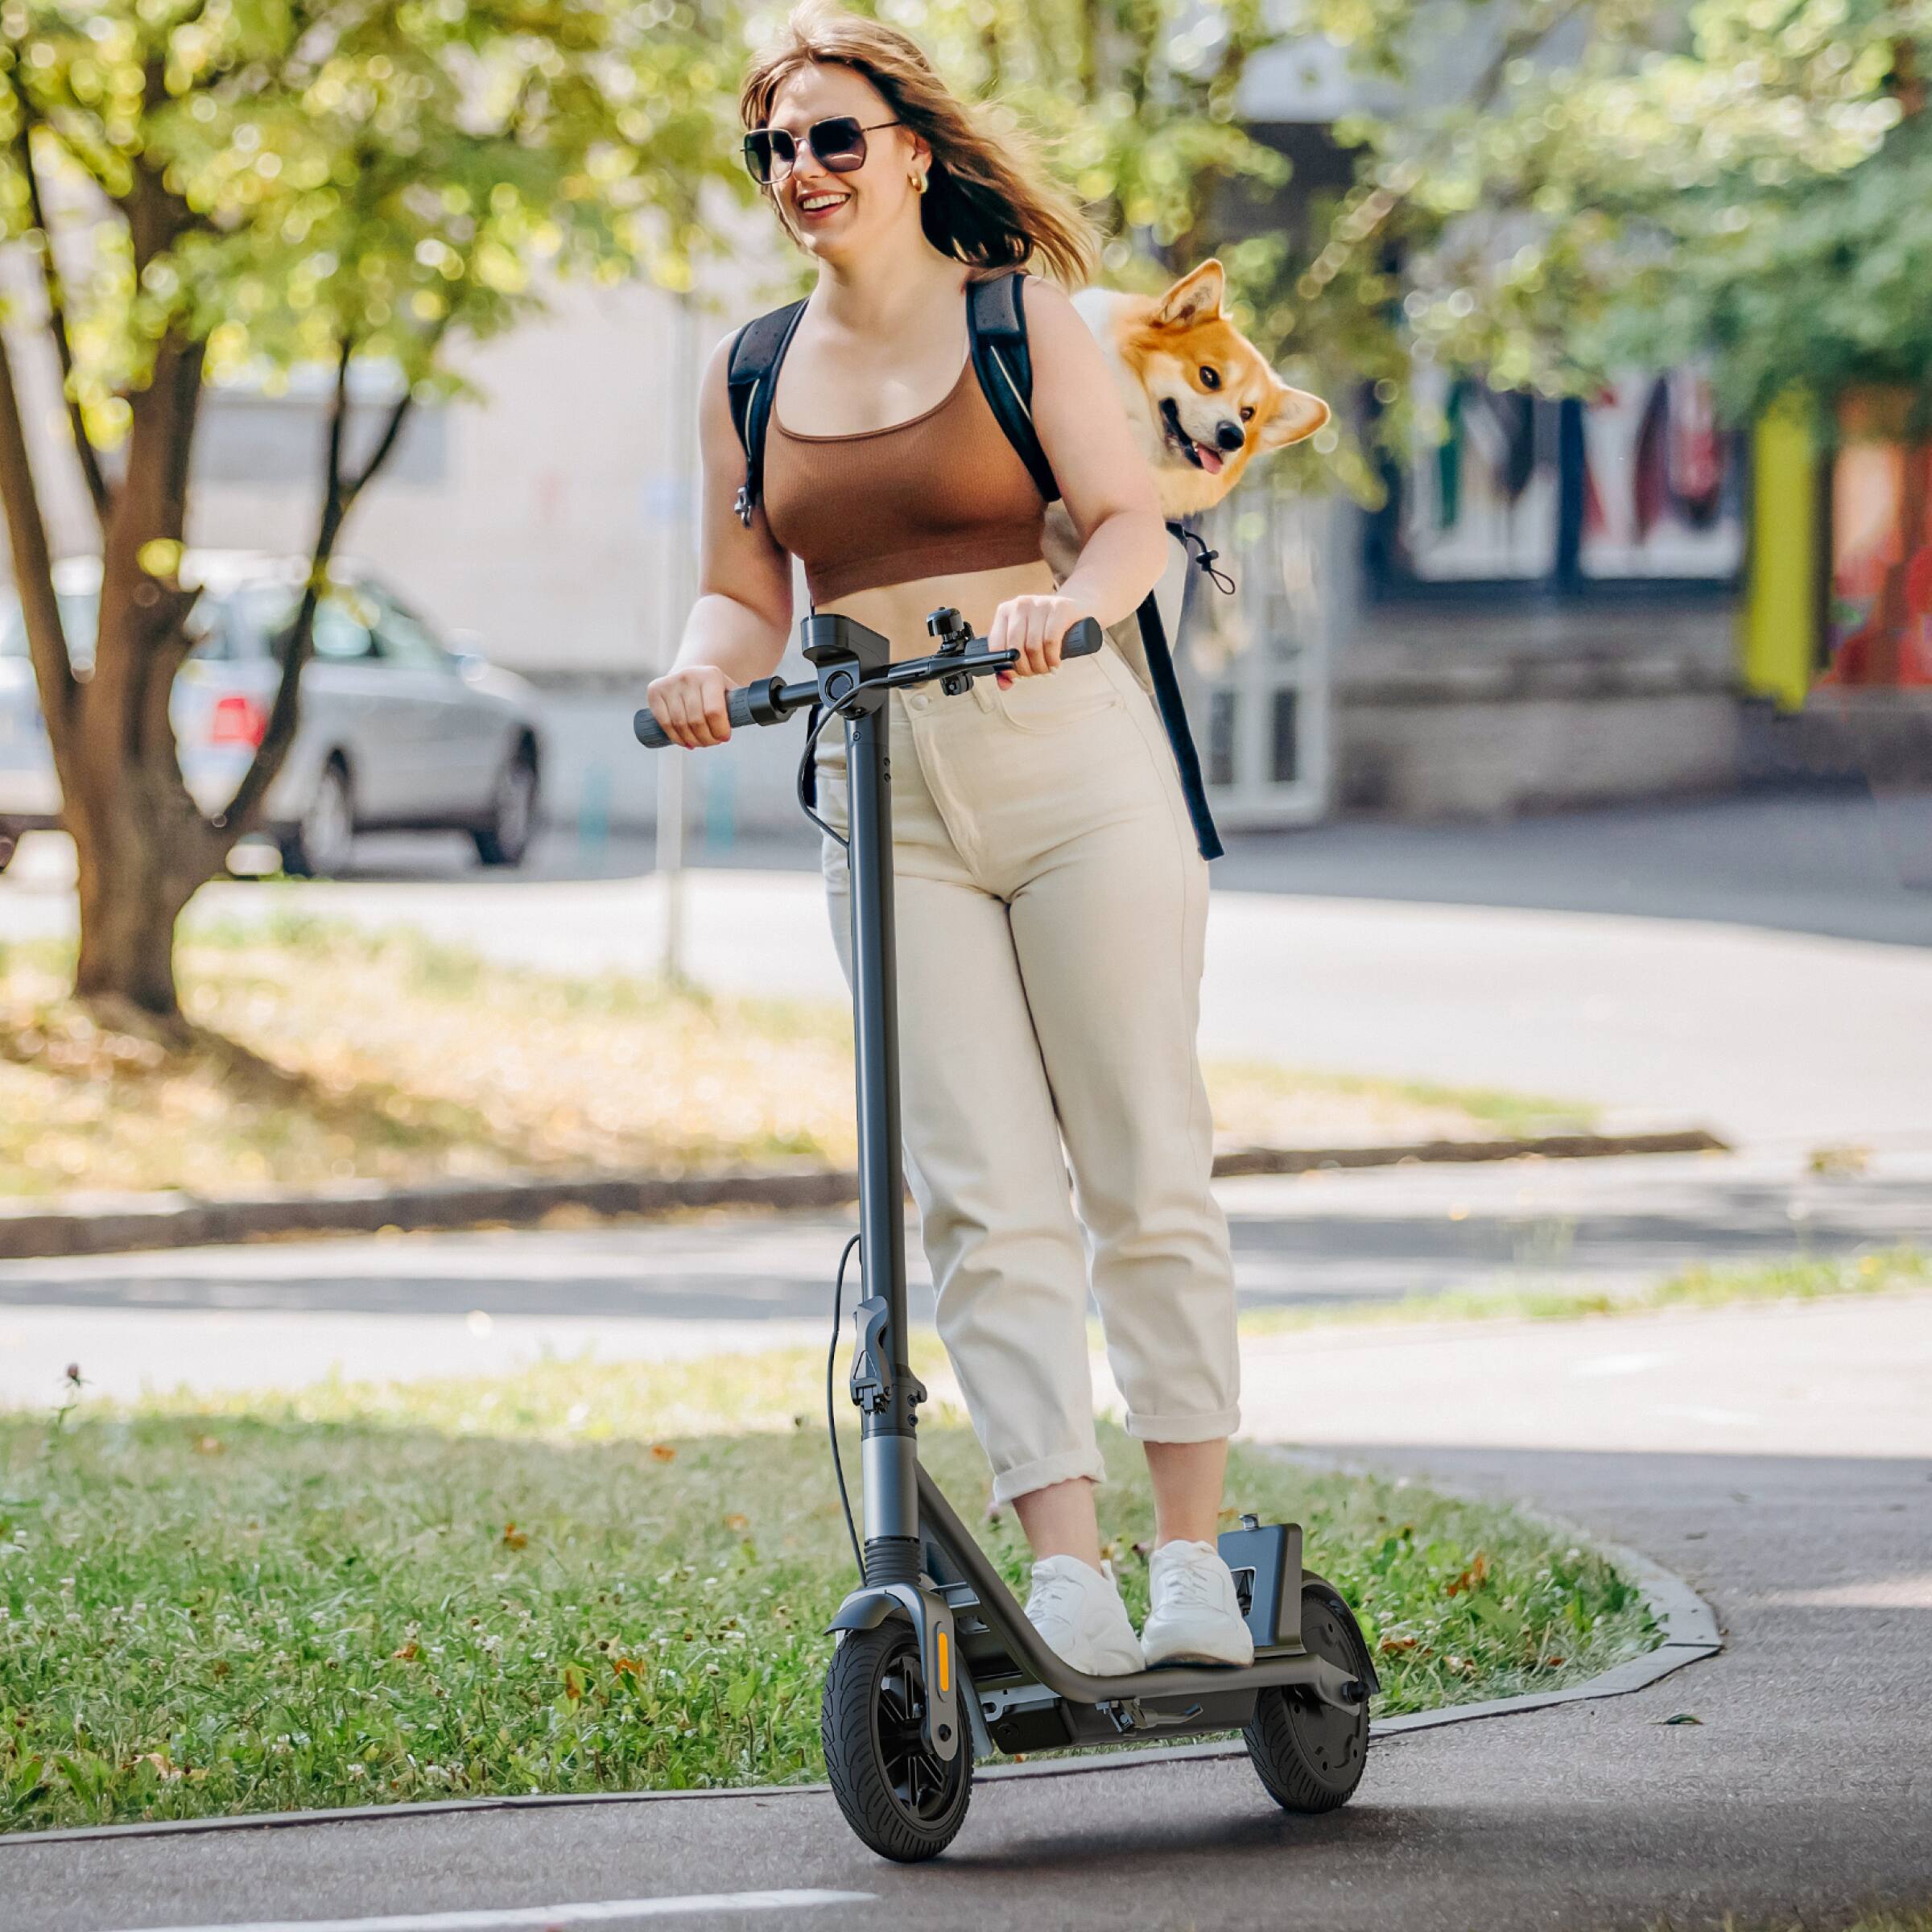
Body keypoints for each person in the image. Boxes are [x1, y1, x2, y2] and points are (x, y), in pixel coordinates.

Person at [645, 0, 1252, 1675]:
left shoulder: (1017, 315)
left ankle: (1189, 1560)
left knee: (1141, 1157)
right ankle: (1069, 1569)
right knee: (979, 1196)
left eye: (834, 135)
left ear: (910, 151)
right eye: (775, 146)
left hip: (1068, 760)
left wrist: (1072, 605)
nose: (803, 167)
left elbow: (1126, 521)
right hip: (883, 782)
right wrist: (699, 668)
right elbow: (742, 587)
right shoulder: (751, 368)